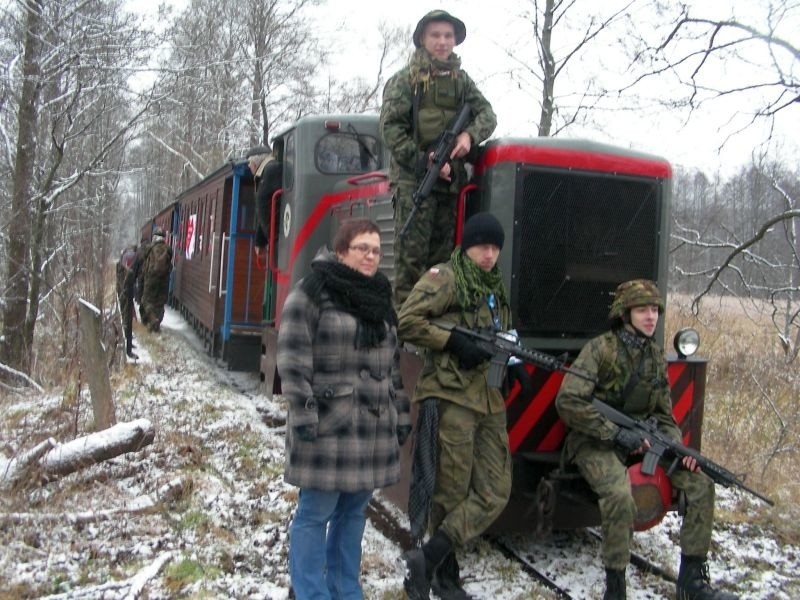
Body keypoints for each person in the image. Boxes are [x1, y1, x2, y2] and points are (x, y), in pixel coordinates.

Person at [555, 280, 738, 600]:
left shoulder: (654, 356)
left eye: (654, 310)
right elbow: (568, 401)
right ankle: (616, 587)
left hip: (645, 444)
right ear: (625, 314)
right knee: (619, 494)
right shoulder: (601, 349)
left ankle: (692, 582)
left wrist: (677, 449)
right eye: (642, 310)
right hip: (595, 442)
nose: (651, 317)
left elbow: (665, 416)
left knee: (700, 485)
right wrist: (616, 434)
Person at [277, 218, 411, 600]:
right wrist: (304, 415)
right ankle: (310, 592)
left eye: (376, 250)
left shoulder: (380, 299)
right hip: (327, 429)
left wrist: (400, 414)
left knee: (353, 516)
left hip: (370, 432)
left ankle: (345, 588)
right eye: (362, 248)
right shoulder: (312, 292)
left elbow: (392, 369)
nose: (371, 256)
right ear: (341, 251)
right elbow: (292, 357)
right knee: (314, 514)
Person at [397, 212, 526, 600]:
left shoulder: (492, 285)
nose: (489, 255)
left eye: (494, 248)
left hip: (487, 396)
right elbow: (407, 321)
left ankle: (428, 556)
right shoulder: (447, 277)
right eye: (481, 247)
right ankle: (444, 577)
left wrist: (514, 363)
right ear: (467, 246)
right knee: (450, 489)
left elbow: (498, 332)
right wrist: (452, 342)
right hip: (451, 395)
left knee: (496, 489)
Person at [380, 10, 497, 307]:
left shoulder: (462, 82)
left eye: (448, 36)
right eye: (435, 35)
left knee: (442, 266)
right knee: (410, 265)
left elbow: (487, 114)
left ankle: (432, 329)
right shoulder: (405, 80)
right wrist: (424, 161)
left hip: (449, 187)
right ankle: (406, 336)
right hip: (414, 183)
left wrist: (469, 135)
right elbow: (391, 129)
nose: (442, 42)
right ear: (422, 39)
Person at [246, 144, 283, 253]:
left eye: (249, 162)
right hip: (275, 238)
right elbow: (264, 211)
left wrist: (274, 237)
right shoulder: (264, 174)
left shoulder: (272, 170)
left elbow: (267, 207)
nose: (248, 165)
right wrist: (260, 241)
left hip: (279, 238)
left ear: (255, 161)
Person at [137, 228, 173, 333]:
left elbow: (144, 258)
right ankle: (157, 322)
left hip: (151, 280)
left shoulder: (150, 248)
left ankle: (152, 320)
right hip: (164, 281)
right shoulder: (168, 249)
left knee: (146, 300)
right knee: (160, 302)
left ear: (154, 237)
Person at [116, 245, 138, 358]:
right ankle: (128, 349)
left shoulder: (122, 259)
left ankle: (127, 345)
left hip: (122, 291)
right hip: (127, 291)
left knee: (125, 317)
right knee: (127, 318)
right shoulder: (134, 256)